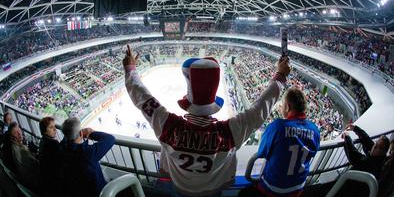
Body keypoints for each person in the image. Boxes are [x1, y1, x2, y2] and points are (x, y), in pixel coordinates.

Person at [123, 45, 290, 196]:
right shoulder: (231, 131)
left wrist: (130, 69)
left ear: (188, 99)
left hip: (178, 189)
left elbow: (142, 97)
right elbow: (261, 108)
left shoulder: (167, 124)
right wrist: (280, 75)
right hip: (214, 191)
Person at [245, 87, 320, 197]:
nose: (280, 108)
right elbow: (312, 152)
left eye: (282, 104)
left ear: (288, 107)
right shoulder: (315, 130)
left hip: (272, 188)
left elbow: (262, 152)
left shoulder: (278, 126)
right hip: (298, 188)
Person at [60, 117, 115, 197]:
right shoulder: (88, 153)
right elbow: (110, 139)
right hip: (98, 192)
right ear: (81, 133)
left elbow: (67, 136)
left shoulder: (62, 147)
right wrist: (91, 133)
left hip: (77, 190)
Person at [340, 124, 390, 197]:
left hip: (350, 190)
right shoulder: (380, 157)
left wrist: (347, 137)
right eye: (376, 143)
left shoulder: (372, 163)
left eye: (380, 147)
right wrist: (355, 128)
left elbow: (354, 156)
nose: (375, 146)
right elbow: (368, 142)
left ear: (384, 151)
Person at [1, 123, 41, 192]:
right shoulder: (21, 151)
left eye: (19, 130)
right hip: (35, 182)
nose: (19, 134)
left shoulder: (13, 147)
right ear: (12, 138)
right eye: (16, 133)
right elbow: (36, 165)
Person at [38, 117, 62, 197]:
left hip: (49, 182)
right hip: (56, 184)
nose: (55, 129)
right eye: (51, 127)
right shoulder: (53, 144)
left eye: (54, 126)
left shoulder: (43, 141)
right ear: (44, 130)